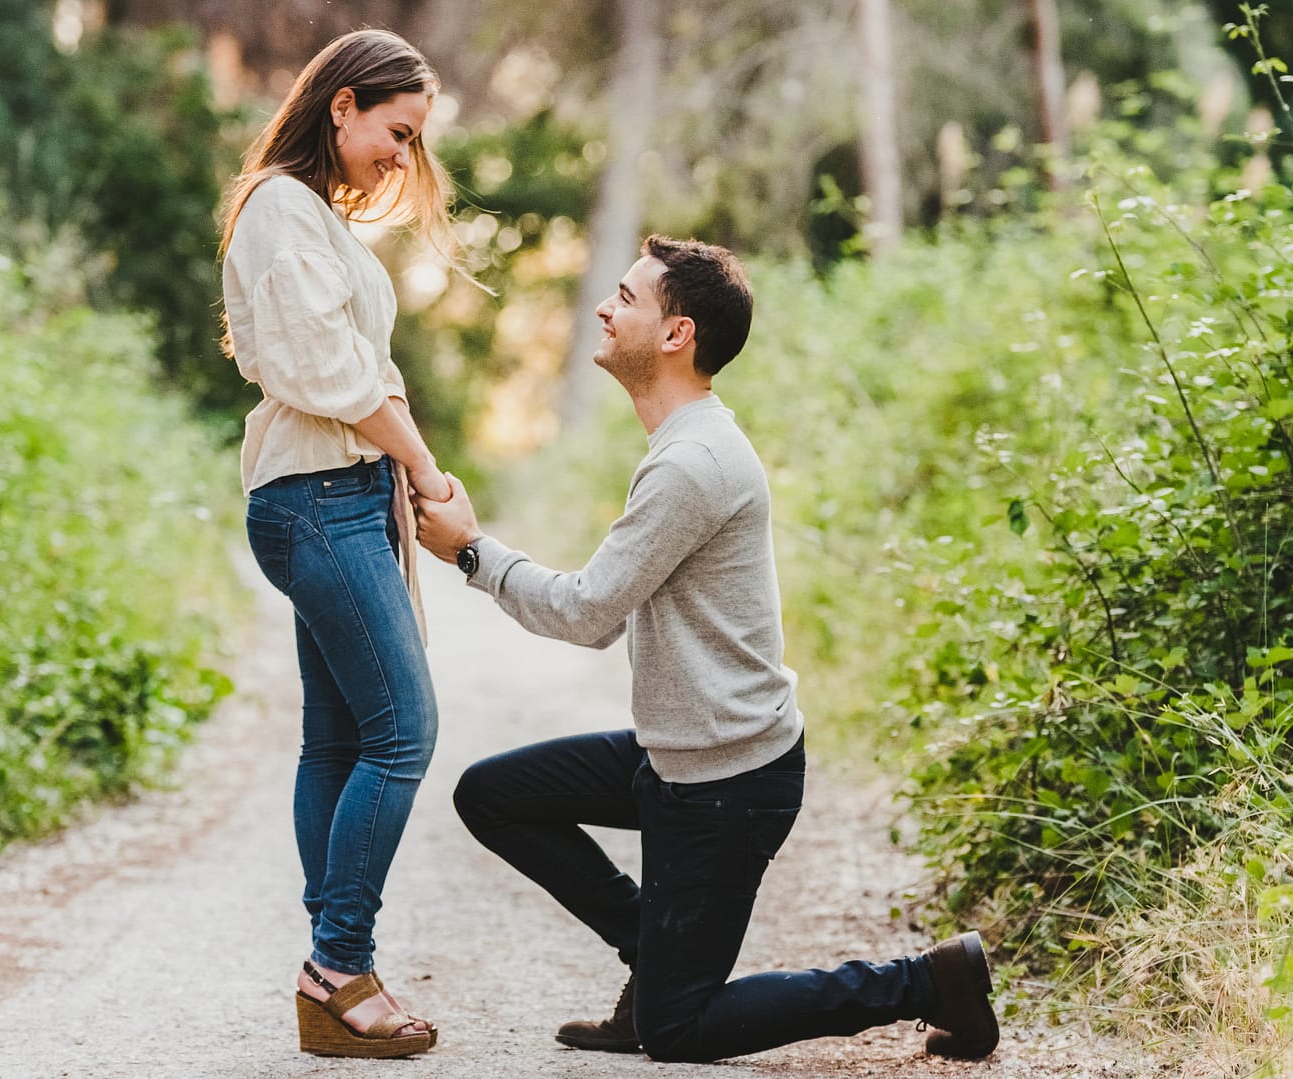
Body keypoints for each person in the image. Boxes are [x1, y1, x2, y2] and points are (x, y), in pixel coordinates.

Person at [413, 235, 1000, 1063]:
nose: (604, 307)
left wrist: (472, 551)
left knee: (677, 1030)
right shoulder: (680, 446)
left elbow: (588, 614)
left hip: (731, 782)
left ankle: (924, 980)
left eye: (624, 296)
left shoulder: (692, 461)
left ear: (675, 333)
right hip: (677, 758)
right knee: (493, 795)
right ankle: (654, 955)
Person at [217, 28, 457, 1059]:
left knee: (345, 738)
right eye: (396, 132)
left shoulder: (308, 215)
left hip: (341, 493)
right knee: (404, 730)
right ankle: (339, 961)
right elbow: (337, 374)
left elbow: (363, 371)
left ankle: (334, 960)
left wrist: (405, 469)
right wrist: (426, 469)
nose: (402, 156)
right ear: (344, 105)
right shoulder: (279, 207)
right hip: (318, 498)